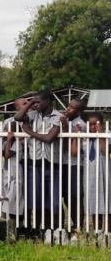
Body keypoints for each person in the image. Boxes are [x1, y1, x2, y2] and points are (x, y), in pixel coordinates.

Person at [14, 89, 62, 236]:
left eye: (39, 101)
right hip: (34, 164)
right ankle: (33, 230)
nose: (36, 104)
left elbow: (49, 138)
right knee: (34, 199)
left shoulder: (58, 116)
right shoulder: (33, 115)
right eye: (34, 101)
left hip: (51, 164)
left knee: (52, 201)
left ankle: (50, 229)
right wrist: (29, 104)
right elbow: (17, 117)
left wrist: (29, 132)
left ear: (48, 101)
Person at [72, 113, 111, 233]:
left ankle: (108, 232)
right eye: (91, 124)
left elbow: (106, 151)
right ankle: (97, 230)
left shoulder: (107, 136)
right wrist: (76, 135)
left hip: (104, 173)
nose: (93, 127)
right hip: (90, 175)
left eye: (96, 124)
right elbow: (74, 152)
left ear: (102, 124)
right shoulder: (85, 138)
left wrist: (101, 135)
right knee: (94, 201)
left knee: (107, 201)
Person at [61, 98, 87, 239]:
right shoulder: (68, 121)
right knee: (66, 196)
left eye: (72, 107)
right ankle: (73, 224)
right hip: (64, 163)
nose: (67, 109)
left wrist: (65, 128)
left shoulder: (79, 125)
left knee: (75, 196)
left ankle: (78, 226)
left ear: (79, 111)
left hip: (75, 165)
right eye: (68, 105)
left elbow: (72, 151)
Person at [1, 122, 24, 227]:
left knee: (13, 199)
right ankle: (7, 220)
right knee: (7, 197)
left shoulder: (17, 144)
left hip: (15, 174)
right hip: (7, 173)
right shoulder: (5, 143)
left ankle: (15, 223)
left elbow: (7, 155)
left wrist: (10, 140)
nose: (6, 132)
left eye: (8, 130)